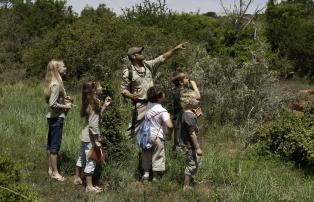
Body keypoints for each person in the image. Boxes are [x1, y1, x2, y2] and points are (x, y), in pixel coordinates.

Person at [121, 43, 186, 138]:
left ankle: (154, 147)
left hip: (154, 103)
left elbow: (162, 58)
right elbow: (123, 90)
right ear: (133, 56)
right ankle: (125, 148)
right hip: (140, 105)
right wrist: (131, 95)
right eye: (139, 52)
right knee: (132, 131)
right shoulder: (128, 72)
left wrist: (175, 49)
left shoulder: (148, 65)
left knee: (156, 129)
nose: (142, 53)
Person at [74, 81, 111, 193]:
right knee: (91, 160)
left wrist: (104, 106)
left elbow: (95, 116)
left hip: (84, 135)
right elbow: (94, 124)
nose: (102, 88)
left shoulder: (88, 102)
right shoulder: (95, 103)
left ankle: (77, 178)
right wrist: (96, 140)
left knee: (82, 157)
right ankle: (89, 187)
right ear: (94, 90)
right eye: (100, 86)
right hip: (91, 138)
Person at [44, 59, 72, 181]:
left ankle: (50, 170)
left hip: (52, 118)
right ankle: (56, 173)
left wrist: (63, 98)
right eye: (63, 66)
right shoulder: (56, 84)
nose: (65, 68)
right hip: (56, 119)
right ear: (57, 69)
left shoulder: (53, 82)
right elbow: (52, 104)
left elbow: (53, 100)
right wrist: (66, 106)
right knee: (55, 146)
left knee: (50, 145)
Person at [141, 86, 173, 181]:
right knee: (157, 155)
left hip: (146, 135)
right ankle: (155, 177)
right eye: (163, 93)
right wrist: (169, 135)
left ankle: (146, 174)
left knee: (146, 154)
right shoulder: (163, 111)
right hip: (157, 137)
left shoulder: (148, 105)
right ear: (159, 97)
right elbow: (170, 126)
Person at [171, 69, 201, 151]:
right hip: (181, 119)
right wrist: (194, 85)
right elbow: (198, 96)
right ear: (180, 82)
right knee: (184, 140)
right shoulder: (182, 92)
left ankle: (179, 154)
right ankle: (184, 155)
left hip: (178, 119)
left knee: (179, 139)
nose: (188, 79)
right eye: (186, 78)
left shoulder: (176, 91)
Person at [178, 90, 202, 191]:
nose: (198, 101)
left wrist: (196, 116)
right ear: (190, 102)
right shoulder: (189, 116)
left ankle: (191, 180)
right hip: (190, 145)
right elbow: (192, 133)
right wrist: (197, 148)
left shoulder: (187, 114)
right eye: (196, 99)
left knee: (195, 163)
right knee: (192, 164)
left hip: (188, 145)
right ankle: (186, 186)